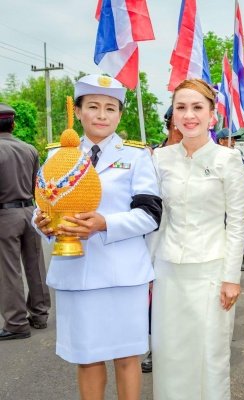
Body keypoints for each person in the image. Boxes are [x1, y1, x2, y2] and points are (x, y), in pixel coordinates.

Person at [33, 74, 162, 399]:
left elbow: (150, 215)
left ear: (120, 114)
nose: (102, 115)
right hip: (78, 272)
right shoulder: (56, 157)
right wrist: (44, 225)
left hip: (124, 275)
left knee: (126, 356)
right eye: (93, 107)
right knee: (87, 358)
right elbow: (44, 208)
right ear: (78, 112)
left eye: (110, 108)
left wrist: (104, 223)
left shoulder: (136, 156)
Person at [150, 79, 244, 400]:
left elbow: (237, 221)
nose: (189, 115)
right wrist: (148, 271)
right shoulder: (159, 159)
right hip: (168, 270)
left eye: (197, 107)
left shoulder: (227, 159)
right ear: (173, 115)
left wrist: (231, 277)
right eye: (181, 107)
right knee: (169, 351)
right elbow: (156, 220)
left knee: (211, 354)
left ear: (211, 115)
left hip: (211, 272)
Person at [0, 103, 51, 341]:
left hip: (4, 215)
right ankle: (39, 314)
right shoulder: (29, 149)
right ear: (14, 123)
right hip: (30, 209)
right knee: (34, 264)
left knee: (9, 270)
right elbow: (38, 186)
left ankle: (16, 323)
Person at [141, 105, 183, 374]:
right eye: (175, 123)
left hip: (191, 240)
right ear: (169, 124)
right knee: (156, 299)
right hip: (157, 237)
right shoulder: (151, 156)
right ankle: (155, 348)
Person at [216, 127, 244, 271]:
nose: (234, 142)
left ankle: (241, 257)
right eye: (231, 139)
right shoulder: (214, 156)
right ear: (221, 141)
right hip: (220, 201)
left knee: (242, 226)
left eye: (235, 139)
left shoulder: (238, 155)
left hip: (237, 199)